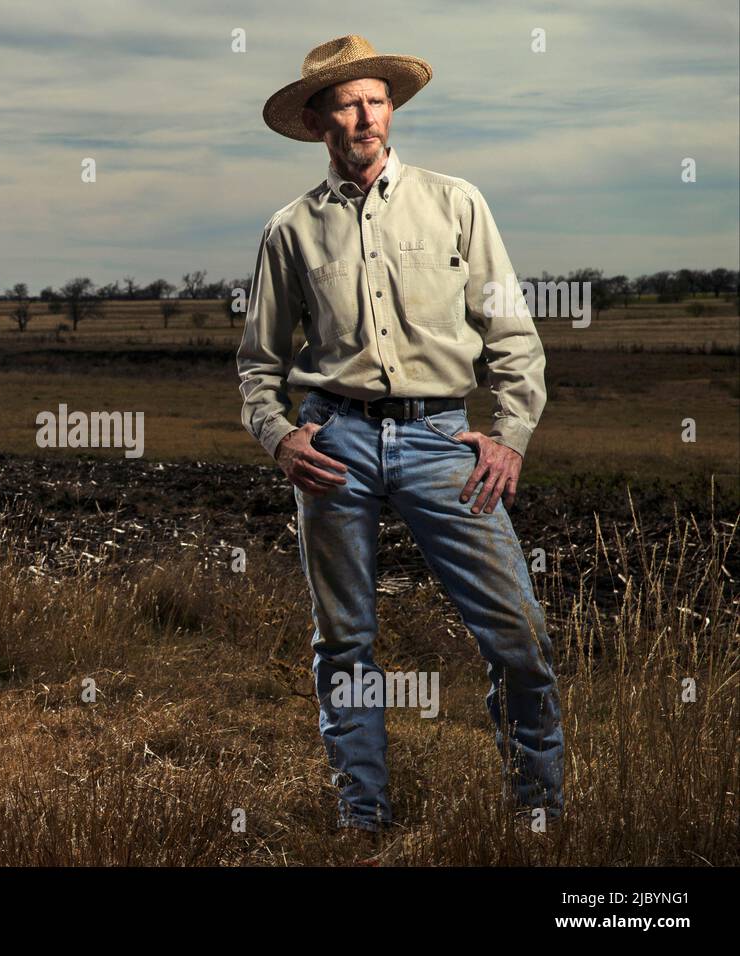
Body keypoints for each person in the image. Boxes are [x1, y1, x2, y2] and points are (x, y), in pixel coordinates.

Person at [236, 34, 564, 844]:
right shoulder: (291, 231)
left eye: (376, 100)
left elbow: (513, 339)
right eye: (347, 103)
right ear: (318, 122)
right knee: (344, 642)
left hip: (443, 441)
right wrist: (281, 437)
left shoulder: (456, 203)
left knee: (518, 637)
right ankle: (364, 817)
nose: (365, 116)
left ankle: (538, 813)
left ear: (391, 111)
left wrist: (510, 436)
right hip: (336, 447)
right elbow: (258, 365)